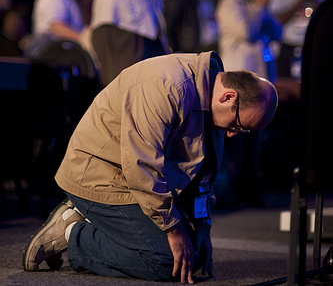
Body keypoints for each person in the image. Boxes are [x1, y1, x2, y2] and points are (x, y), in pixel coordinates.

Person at [22, 50, 278, 283]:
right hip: (97, 175)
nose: (233, 134)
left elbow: (205, 172)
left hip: (136, 182)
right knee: (166, 262)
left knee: (191, 257)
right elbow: (141, 168)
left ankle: (101, 227)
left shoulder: (212, 98)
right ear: (229, 96)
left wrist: (202, 224)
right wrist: (174, 229)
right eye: (237, 125)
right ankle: (73, 232)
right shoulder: (166, 85)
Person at [215, 0, 281, 206]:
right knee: (236, 139)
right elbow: (247, 31)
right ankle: (232, 191)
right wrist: (260, 8)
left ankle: (249, 189)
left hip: (258, 79)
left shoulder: (256, 4)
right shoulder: (228, 4)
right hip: (237, 81)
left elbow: (277, 32)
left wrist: (264, 9)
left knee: (254, 138)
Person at [215, 0, 281, 81]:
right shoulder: (228, 2)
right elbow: (247, 33)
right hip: (238, 75)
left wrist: (264, 9)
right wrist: (259, 8)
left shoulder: (256, 2)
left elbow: (277, 34)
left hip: (260, 74)